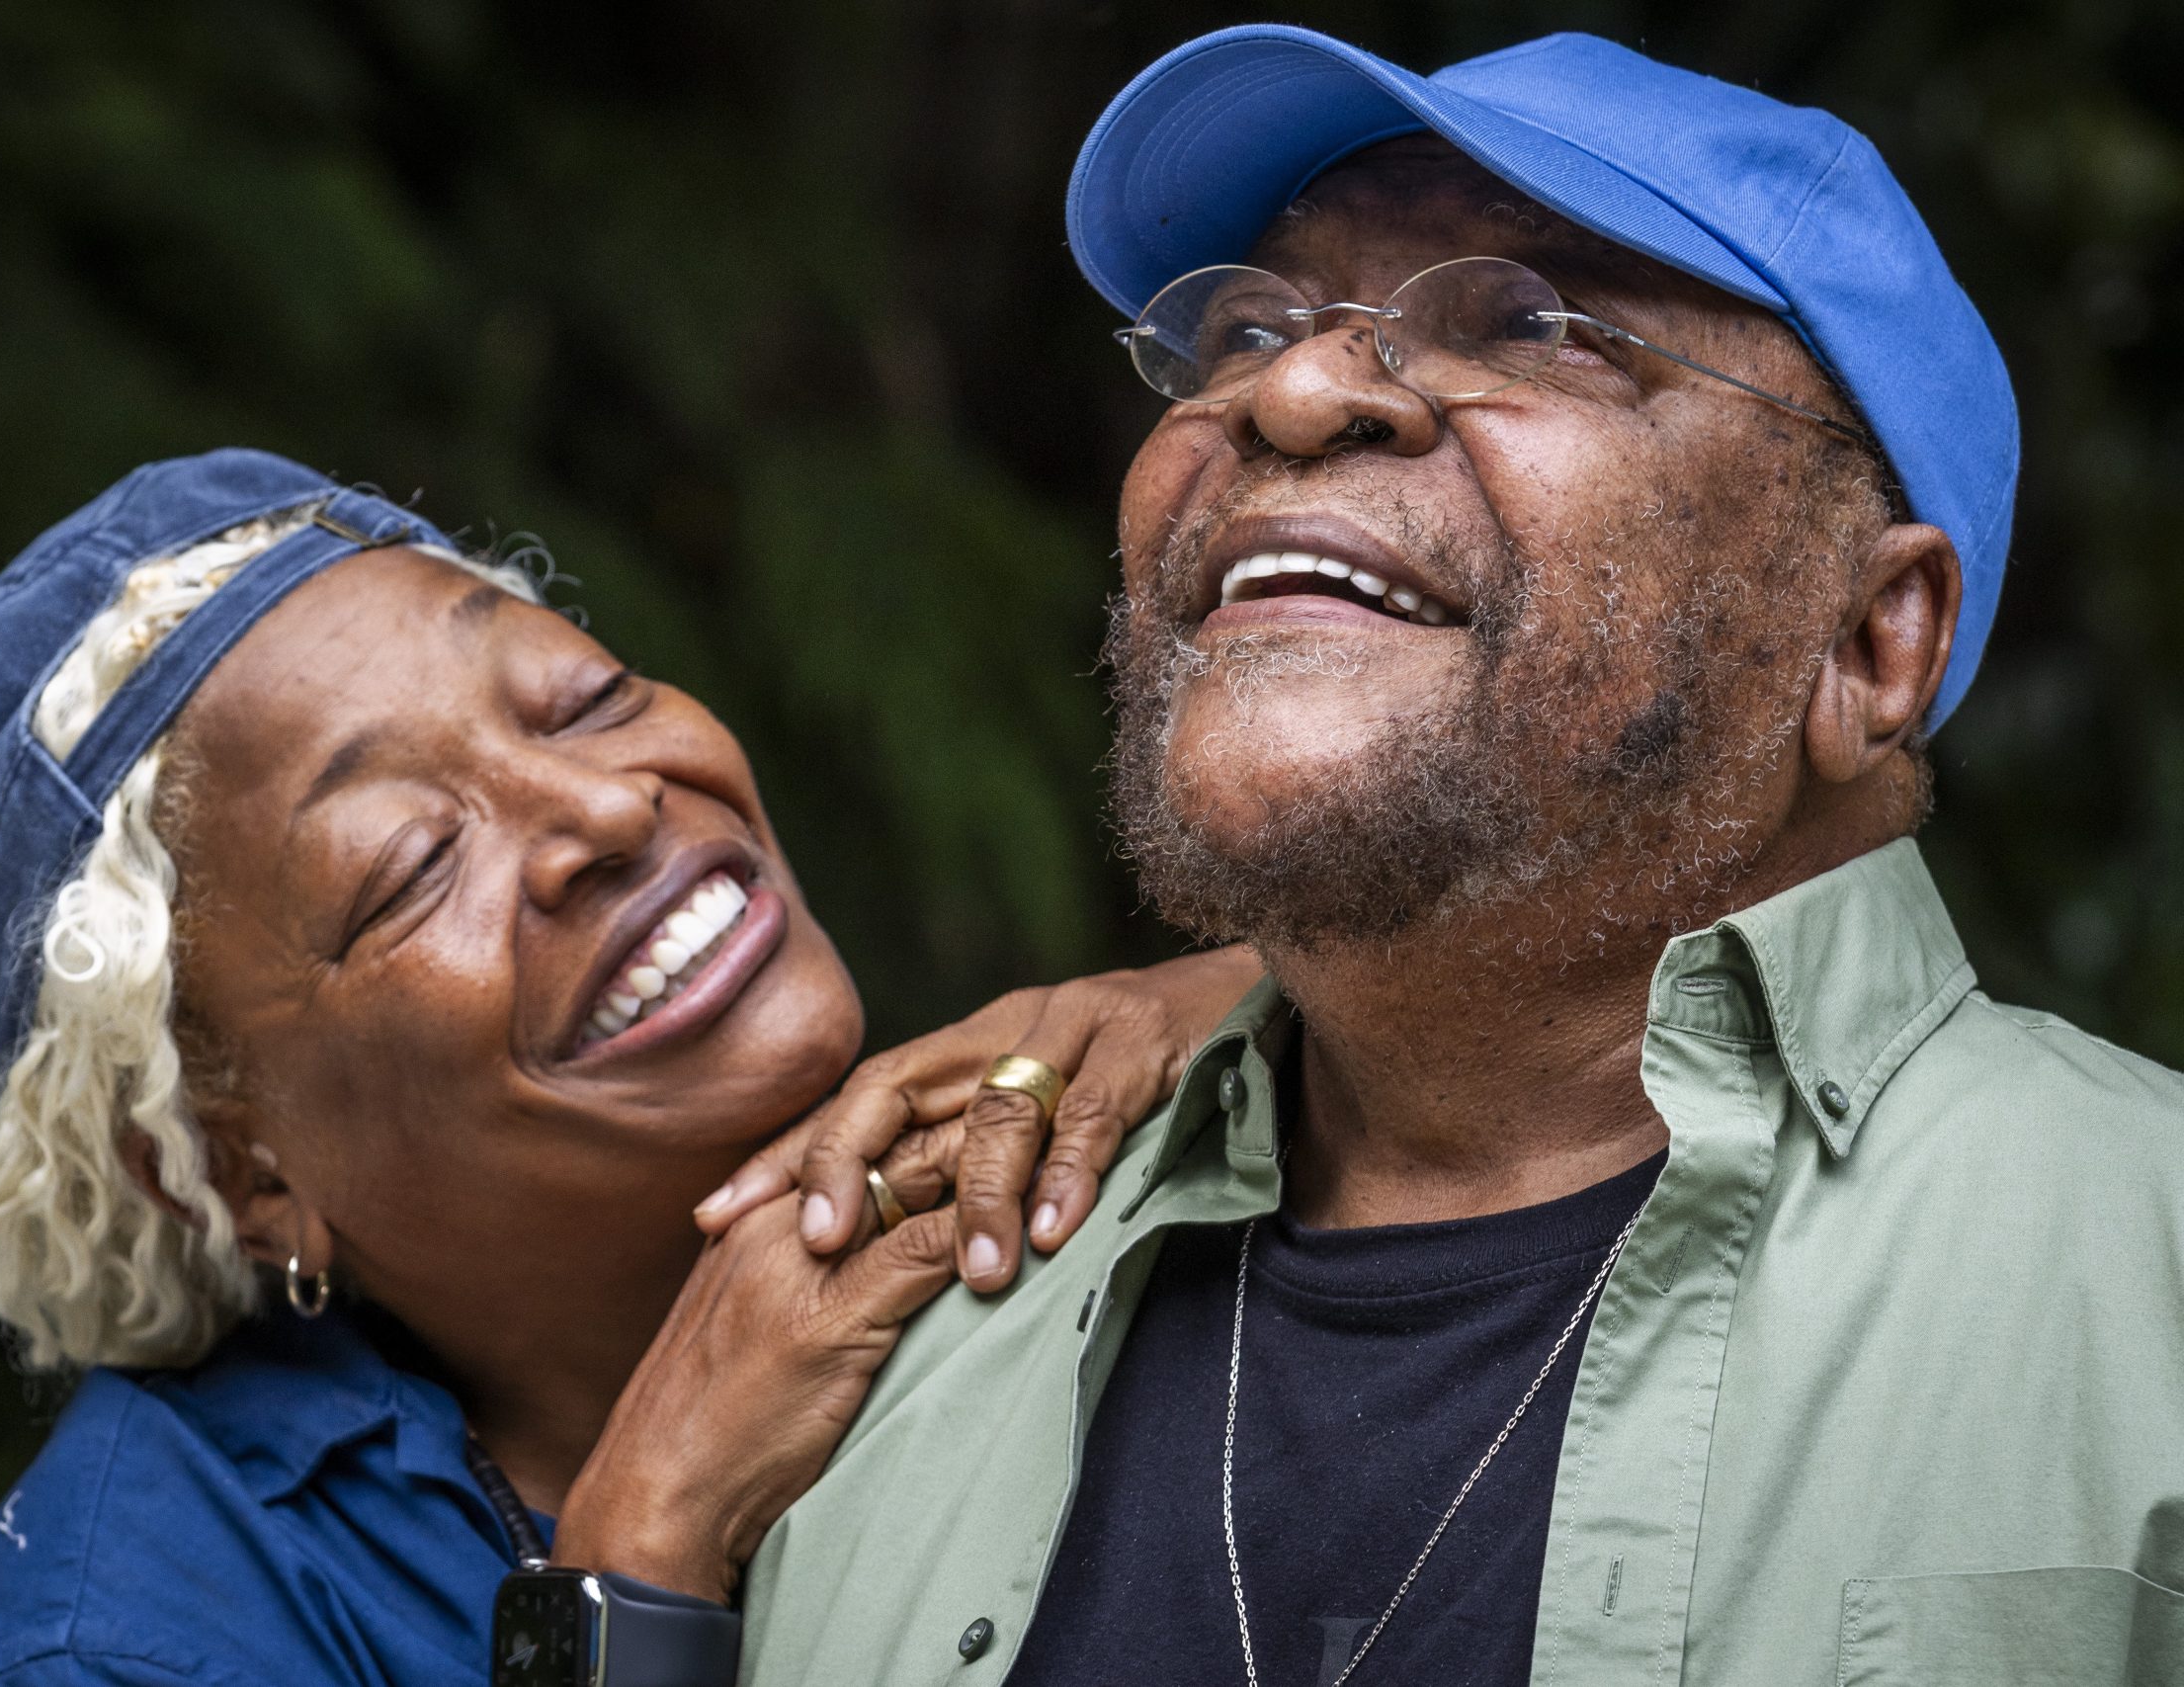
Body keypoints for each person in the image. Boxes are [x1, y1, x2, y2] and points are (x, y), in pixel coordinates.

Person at [738, 28, 2184, 1687]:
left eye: (1529, 324)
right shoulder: (887, 1332)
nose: (1290, 392)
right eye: (1247, 328)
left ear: (1869, 638)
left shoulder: (2148, 1289)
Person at [0, 448, 1256, 1687]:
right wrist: (640, 1556)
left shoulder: (1101, 1154)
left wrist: (1272, 998)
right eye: (411, 865)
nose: (605, 809)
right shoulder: (127, 1641)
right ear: (230, 1169)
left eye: (586, 699)